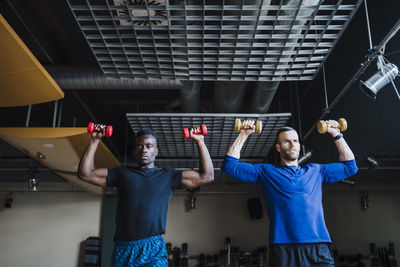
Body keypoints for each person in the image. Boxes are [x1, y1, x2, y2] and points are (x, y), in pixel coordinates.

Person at [221, 120, 358, 267]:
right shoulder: (266, 172)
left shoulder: (316, 171)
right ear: (278, 147)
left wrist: (336, 134)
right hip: (283, 247)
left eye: (295, 141)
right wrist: (244, 134)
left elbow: (350, 167)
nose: (293, 145)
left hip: (318, 246)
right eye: (287, 141)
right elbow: (230, 166)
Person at [78, 125, 214, 266]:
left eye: (149, 146)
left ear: (156, 151)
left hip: (153, 249)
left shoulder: (168, 176)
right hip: (123, 249)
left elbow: (207, 176)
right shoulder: (122, 174)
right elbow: (85, 173)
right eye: (140, 146)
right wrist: (94, 141)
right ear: (134, 151)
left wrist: (200, 141)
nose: (144, 150)